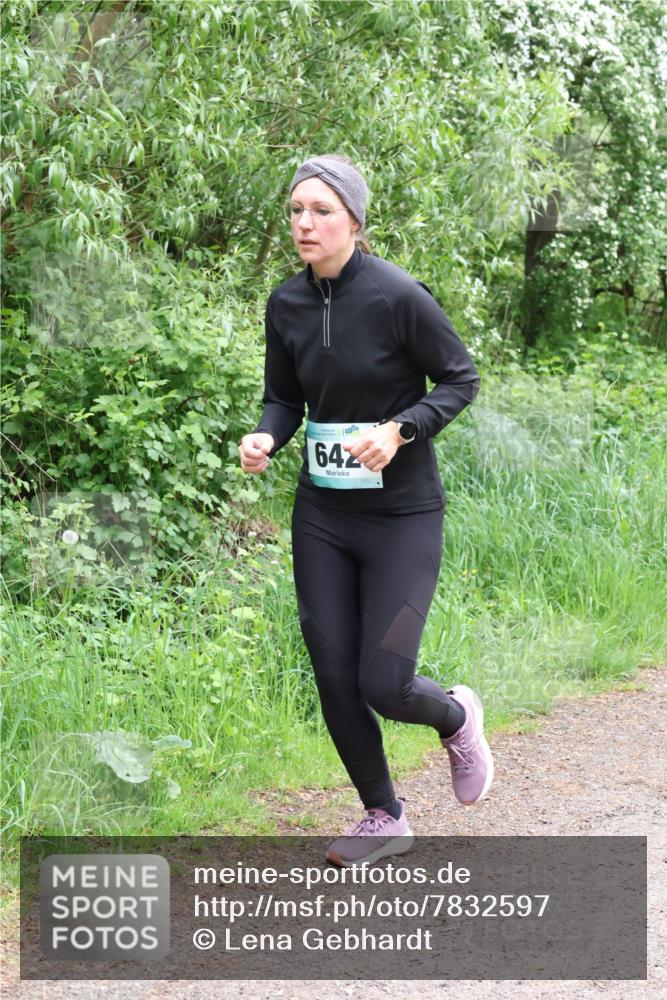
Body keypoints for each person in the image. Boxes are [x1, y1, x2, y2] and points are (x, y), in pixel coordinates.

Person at [239, 153, 493, 867]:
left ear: (353, 218)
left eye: (320, 210)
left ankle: (455, 715)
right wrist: (266, 435)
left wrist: (399, 428)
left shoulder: (396, 296)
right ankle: (384, 815)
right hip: (322, 512)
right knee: (331, 669)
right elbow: (285, 397)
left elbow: (459, 378)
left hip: (401, 514)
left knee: (383, 681)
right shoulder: (285, 303)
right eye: (295, 210)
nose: (304, 223)